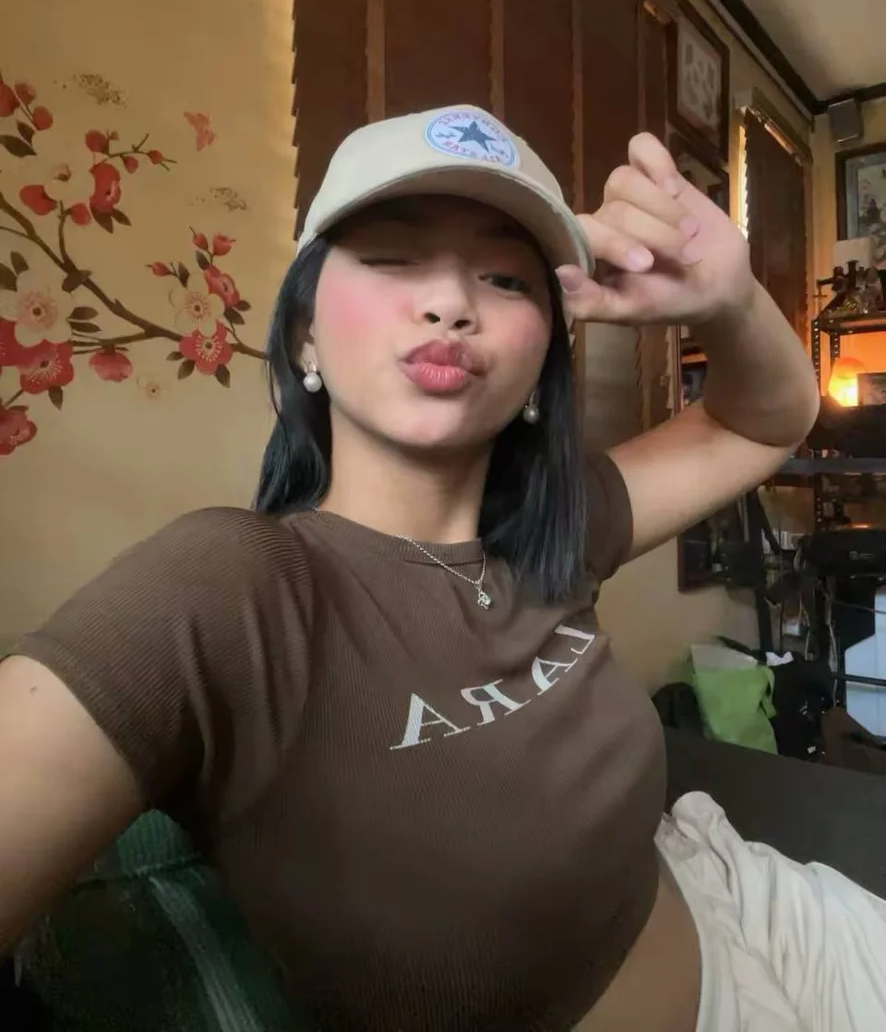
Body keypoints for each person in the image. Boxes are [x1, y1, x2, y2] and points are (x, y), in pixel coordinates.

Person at [0, 105, 820, 1030]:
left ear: (542, 362)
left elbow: (765, 422)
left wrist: (732, 302)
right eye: (391, 258)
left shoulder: (560, 526)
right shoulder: (227, 589)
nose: (450, 303)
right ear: (304, 337)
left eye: (503, 278)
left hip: (749, 911)